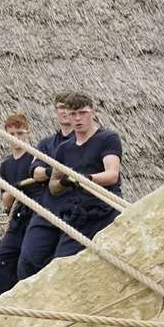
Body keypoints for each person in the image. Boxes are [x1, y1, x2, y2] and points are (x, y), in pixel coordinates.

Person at [49, 92, 123, 260]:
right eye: (73, 114)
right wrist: (65, 182)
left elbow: (112, 174)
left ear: (93, 113)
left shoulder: (108, 138)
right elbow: (53, 187)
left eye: (83, 113)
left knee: (113, 262)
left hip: (106, 211)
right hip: (78, 216)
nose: (78, 118)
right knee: (61, 263)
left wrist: (86, 179)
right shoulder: (64, 149)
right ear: (67, 115)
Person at [15, 95, 74, 281]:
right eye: (60, 108)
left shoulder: (85, 141)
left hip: (75, 206)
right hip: (49, 206)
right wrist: (55, 170)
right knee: (28, 258)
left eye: (68, 107)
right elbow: (36, 172)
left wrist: (49, 172)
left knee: (64, 260)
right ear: (56, 112)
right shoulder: (46, 144)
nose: (64, 112)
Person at [0, 113, 40, 300]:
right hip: (16, 220)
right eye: (12, 134)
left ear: (28, 133)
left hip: (35, 218)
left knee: (27, 262)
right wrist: (15, 189)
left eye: (20, 133)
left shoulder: (36, 159)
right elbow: (5, 200)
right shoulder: (6, 166)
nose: (16, 138)